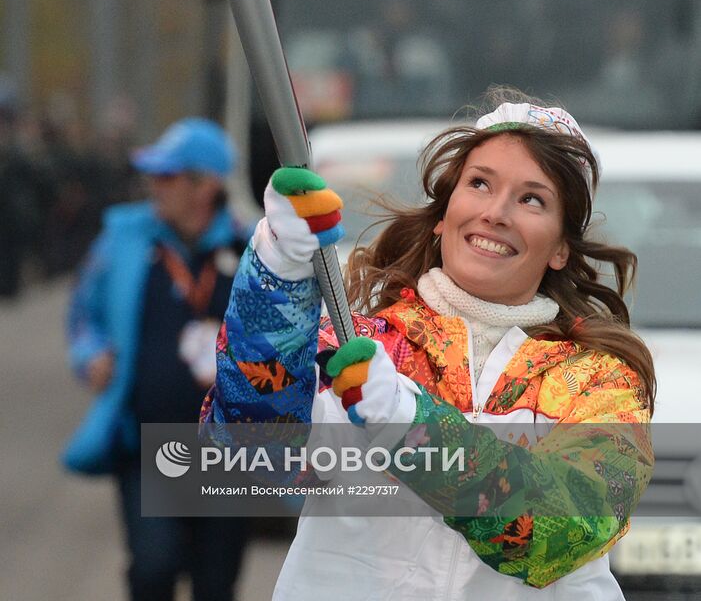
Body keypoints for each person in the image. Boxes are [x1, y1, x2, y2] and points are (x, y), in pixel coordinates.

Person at [204, 94, 655, 599]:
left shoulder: (597, 382)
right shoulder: (357, 347)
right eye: (479, 184)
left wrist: (408, 423)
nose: (496, 213)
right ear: (443, 216)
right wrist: (278, 274)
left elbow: (563, 529)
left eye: (532, 199)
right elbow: (250, 449)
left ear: (560, 248)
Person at [63, 117, 252, 601]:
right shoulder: (124, 241)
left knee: (216, 584)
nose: (155, 185)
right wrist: (90, 356)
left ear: (205, 185)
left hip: (228, 453)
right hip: (147, 447)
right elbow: (85, 314)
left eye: (167, 175)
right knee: (153, 569)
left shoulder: (253, 249)